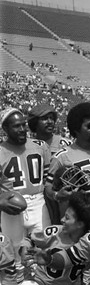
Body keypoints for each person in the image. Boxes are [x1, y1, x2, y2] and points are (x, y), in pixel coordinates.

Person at [0, 108, 51, 268]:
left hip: (38, 202)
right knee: (13, 252)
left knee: (44, 247)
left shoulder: (40, 146)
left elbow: (48, 179)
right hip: (12, 206)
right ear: (5, 129)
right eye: (16, 126)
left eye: (23, 124)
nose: (22, 129)